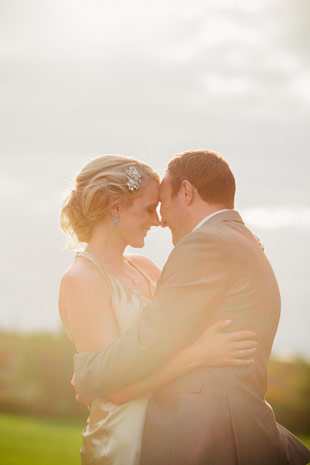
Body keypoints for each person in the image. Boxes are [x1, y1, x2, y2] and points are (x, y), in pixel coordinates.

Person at [73, 150, 310, 465]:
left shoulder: (205, 244)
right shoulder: (239, 239)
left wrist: (89, 375)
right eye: (151, 208)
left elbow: (151, 340)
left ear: (186, 192)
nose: (161, 219)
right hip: (225, 429)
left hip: (206, 435)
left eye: (163, 203)